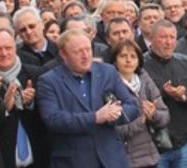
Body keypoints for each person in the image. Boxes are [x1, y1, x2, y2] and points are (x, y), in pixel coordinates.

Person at [36, 30, 139, 168]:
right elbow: (53, 119)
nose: (85, 56)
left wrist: (114, 114)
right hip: (74, 161)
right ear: (63, 55)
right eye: (78, 52)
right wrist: (95, 117)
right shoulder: (48, 81)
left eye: (88, 50)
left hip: (112, 159)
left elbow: (132, 106)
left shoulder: (107, 71)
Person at [143, 20, 187, 168]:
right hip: (154, 142)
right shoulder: (141, 64)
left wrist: (185, 96)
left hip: (184, 140)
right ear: (152, 38)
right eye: (163, 37)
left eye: (172, 37)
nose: (168, 42)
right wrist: (163, 93)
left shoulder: (186, 62)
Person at [0, 27, 50, 168]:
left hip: (38, 159)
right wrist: (4, 108)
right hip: (0, 159)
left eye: (8, 47)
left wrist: (30, 104)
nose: (4, 53)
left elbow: (48, 118)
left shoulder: (35, 73)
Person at [111, 40, 170, 168]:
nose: (128, 60)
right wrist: (140, 121)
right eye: (123, 56)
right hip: (123, 159)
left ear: (139, 61)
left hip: (150, 156)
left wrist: (153, 115)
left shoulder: (145, 80)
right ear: (115, 61)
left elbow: (165, 116)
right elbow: (113, 130)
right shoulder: (108, 86)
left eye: (133, 56)